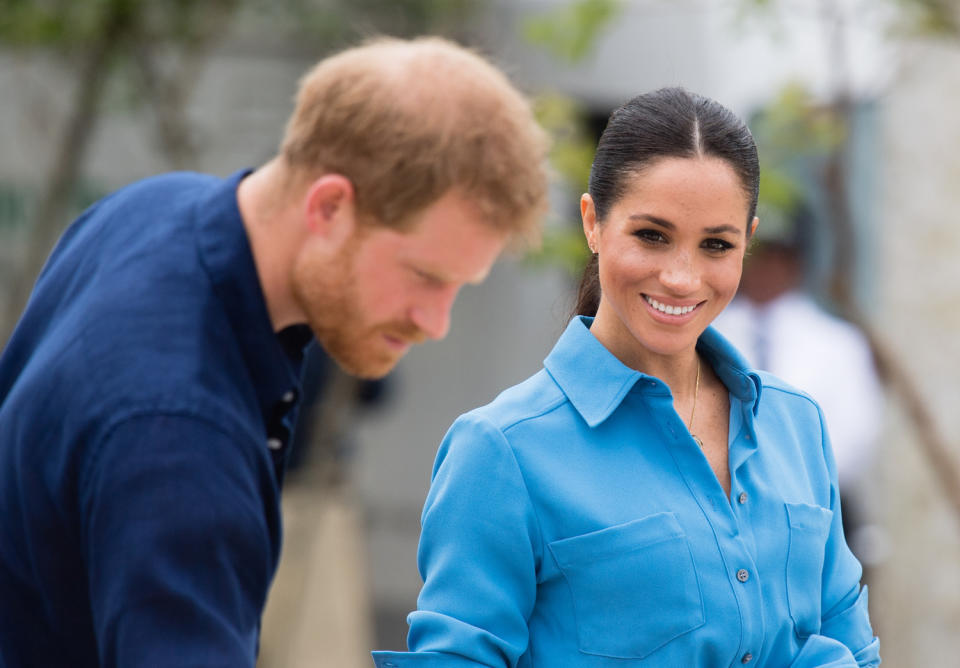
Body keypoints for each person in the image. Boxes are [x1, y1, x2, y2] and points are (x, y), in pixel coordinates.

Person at [0, 36, 549, 667]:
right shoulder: (179, 436)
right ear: (329, 206)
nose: (437, 321)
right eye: (425, 275)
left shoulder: (148, 210)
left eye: (459, 286)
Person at [372, 88, 879, 667]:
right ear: (592, 222)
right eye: (651, 236)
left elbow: (851, 646)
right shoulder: (501, 451)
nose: (682, 278)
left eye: (717, 244)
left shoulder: (797, 424)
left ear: (749, 242)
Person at [712, 204, 886, 569]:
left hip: (819, 511)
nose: (766, 270)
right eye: (756, 258)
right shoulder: (707, 335)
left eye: (778, 258)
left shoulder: (837, 342)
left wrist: (785, 486)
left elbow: (856, 434)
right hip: (721, 512)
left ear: (797, 262)